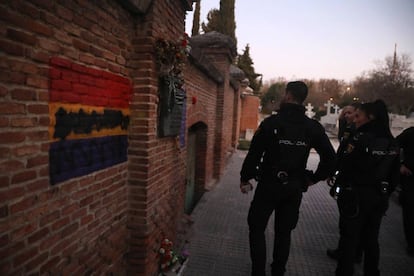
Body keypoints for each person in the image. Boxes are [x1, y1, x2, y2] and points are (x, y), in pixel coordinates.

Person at [240, 81, 336, 276]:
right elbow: (331, 158)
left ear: (289, 96)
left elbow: (254, 154)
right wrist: (314, 178)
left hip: (268, 184)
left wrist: (245, 177)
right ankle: (278, 271)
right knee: (284, 232)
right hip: (294, 187)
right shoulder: (312, 127)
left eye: (285, 94)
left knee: (257, 228)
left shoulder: (271, 123)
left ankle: (258, 272)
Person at [334, 100, 400, 276]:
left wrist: (339, 186)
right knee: (371, 239)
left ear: (370, 117)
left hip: (356, 196)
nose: (355, 120)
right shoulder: (391, 142)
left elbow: (346, 165)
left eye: (358, 116)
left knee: (350, 238)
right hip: (379, 197)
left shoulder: (359, 138)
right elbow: (394, 176)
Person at [327, 102, 363, 263]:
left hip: (351, 183)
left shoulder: (357, 134)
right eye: (346, 113)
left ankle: (349, 253)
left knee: (349, 221)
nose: (348, 116)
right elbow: (341, 151)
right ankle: (348, 251)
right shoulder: (347, 129)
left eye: (352, 113)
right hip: (345, 177)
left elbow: (346, 157)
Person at [396, 126, 414, 256]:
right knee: (410, 212)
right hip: (410, 178)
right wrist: (400, 164)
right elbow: (392, 147)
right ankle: (412, 244)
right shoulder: (410, 133)